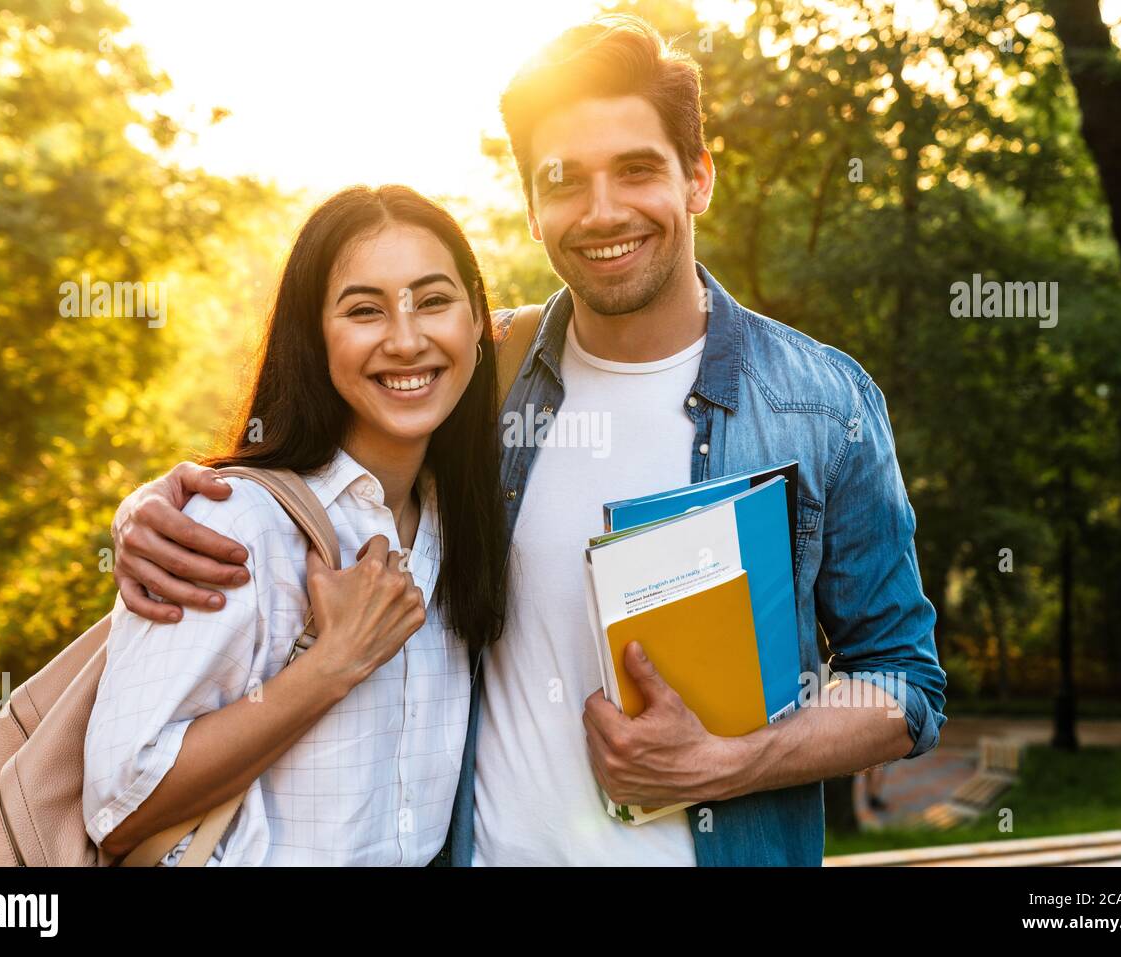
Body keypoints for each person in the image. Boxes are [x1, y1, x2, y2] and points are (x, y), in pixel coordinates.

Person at [107, 15, 947, 866]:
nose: (603, 209)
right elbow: (321, 461)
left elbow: (905, 681)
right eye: (565, 180)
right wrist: (150, 506)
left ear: (698, 178)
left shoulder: (820, 403)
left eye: (636, 169)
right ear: (534, 211)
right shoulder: (479, 380)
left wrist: (727, 763)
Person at [82, 184, 509, 865]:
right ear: (315, 337)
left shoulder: (458, 526)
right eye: (364, 310)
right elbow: (120, 803)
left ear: (479, 319)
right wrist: (330, 667)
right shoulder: (236, 522)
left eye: (433, 300)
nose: (406, 339)